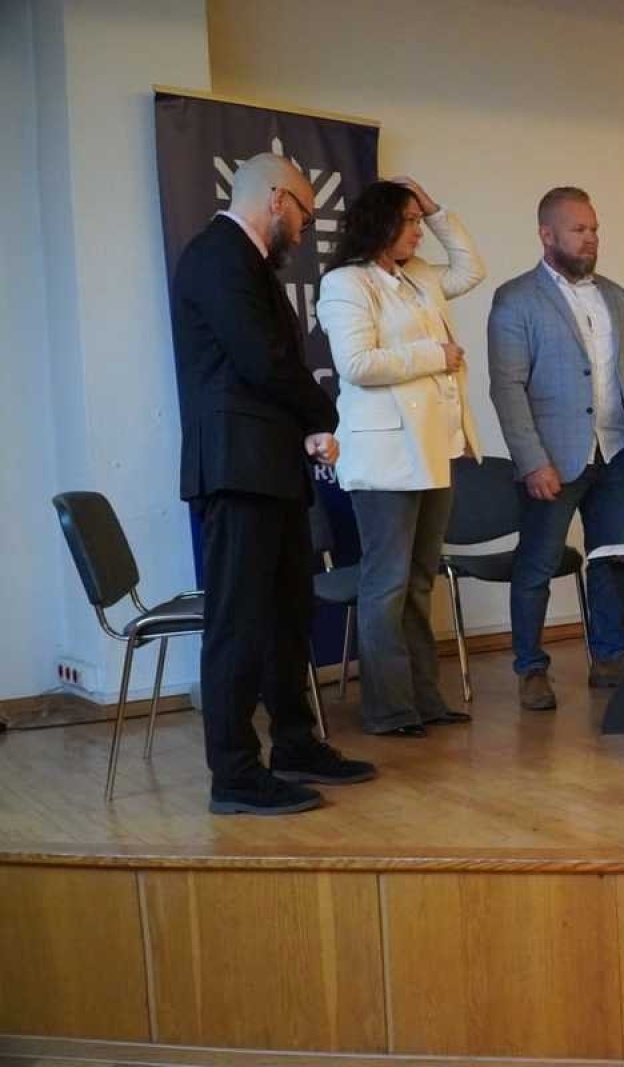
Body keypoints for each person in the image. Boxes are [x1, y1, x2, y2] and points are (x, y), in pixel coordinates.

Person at [170, 152, 376, 815]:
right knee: (238, 622)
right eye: (306, 216)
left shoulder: (247, 262)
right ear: (278, 199)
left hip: (270, 466)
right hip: (237, 468)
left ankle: (294, 742)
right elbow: (263, 360)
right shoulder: (218, 254)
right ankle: (233, 774)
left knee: (288, 614)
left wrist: (305, 429)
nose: (306, 231)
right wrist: (322, 416)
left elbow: (270, 361)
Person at [487, 187, 624, 711]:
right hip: (552, 459)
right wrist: (532, 461)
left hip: (614, 451)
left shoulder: (617, 296)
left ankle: (610, 658)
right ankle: (530, 668)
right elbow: (507, 388)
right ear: (546, 235)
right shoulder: (516, 298)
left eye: (594, 229)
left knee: (611, 559)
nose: (590, 239)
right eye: (578, 230)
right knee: (537, 565)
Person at [317, 178, 486, 738]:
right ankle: (389, 708)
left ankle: (425, 699)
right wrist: (434, 354)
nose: (418, 230)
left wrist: (436, 209)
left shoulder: (418, 277)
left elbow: (470, 269)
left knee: (419, 581)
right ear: (380, 223)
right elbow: (357, 363)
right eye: (410, 220)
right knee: (387, 582)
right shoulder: (346, 282)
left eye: (419, 220)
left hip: (435, 447)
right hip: (385, 454)